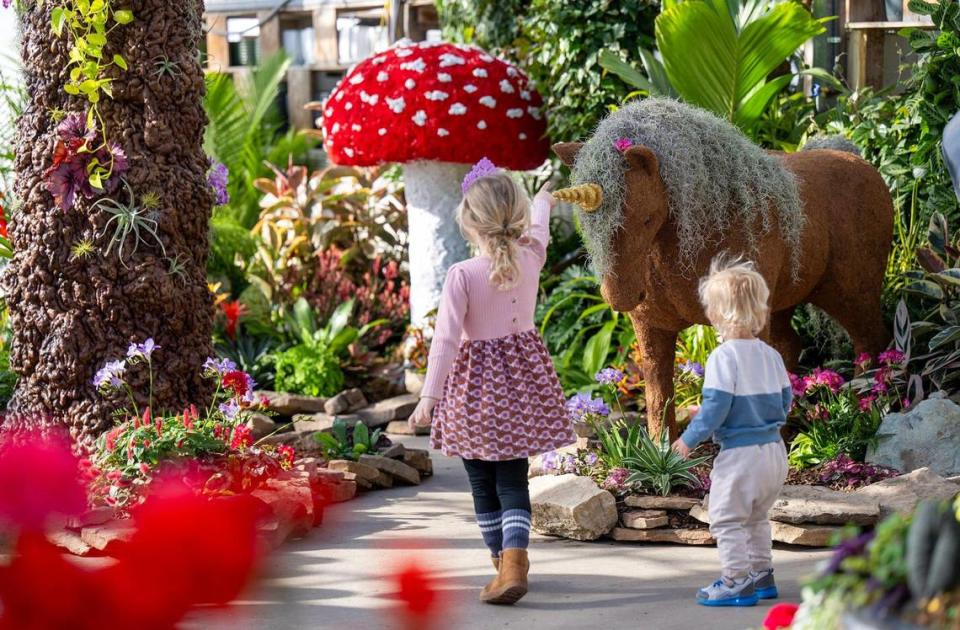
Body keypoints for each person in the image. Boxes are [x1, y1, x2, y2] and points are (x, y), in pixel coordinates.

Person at [408, 159, 576, 606]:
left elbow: (445, 340)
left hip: (473, 392)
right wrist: (545, 199)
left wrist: (429, 396)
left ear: (468, 221)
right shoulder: (532, 256)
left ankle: (501, 564)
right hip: (522, 387)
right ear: (515, 217)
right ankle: (515, 563)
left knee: (482, 483)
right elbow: (538, 224)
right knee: (512, 478)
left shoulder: (462, 274)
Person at [671, 256, 791, 607]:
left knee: (725, 519)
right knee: (755, 517)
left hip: (740, 456)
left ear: (717, 314)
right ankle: (761, 575)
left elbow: (716, 409)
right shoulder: (771, 355)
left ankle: (736, 581)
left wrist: (688, 439)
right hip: (772, 452)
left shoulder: (723, 358)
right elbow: (784, 402)